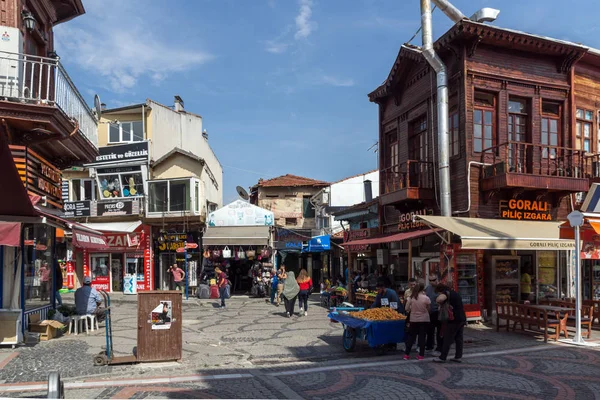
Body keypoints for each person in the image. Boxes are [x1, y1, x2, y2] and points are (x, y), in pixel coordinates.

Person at [433, 284, 466, 363]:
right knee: (458, 338)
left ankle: (442, 357)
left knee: (447, 338)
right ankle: (458, 356)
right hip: (461, 318)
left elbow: (439, 299)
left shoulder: (446, 293)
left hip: (453, 319)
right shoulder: (455, 293)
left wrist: (437, 298)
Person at [404, 283, 431, 361]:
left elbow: (406, 308)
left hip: (413, 319)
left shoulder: (411, 298)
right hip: (424, 319)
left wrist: (412, 309)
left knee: (411, 337)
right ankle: (421, 355)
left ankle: (406, 354)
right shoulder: (426, 298)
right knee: (422, 337)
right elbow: (429, 309)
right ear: (422, 289)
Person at [425, 274, 442, 355]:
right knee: (430, 330)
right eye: (430, 280)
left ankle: (439, 348)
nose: (431, 282)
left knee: (439, 331)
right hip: (430, 312)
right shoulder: (428, 288)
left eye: (433, 280)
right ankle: (429, 346)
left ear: (437, 279)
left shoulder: (441, 288)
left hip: (439, 312)